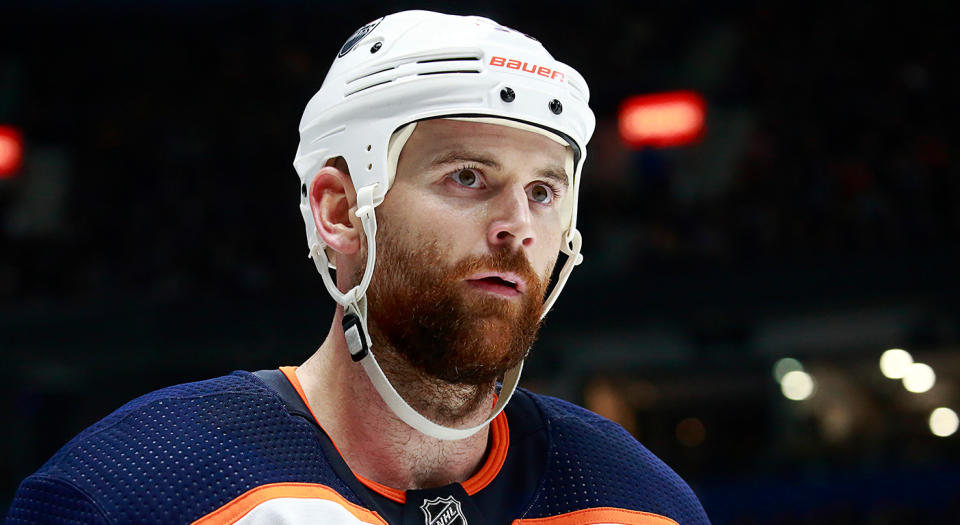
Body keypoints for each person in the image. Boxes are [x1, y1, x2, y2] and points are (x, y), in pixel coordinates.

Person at [7, 11, 710, 525]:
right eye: (468, 176)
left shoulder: (641, 501)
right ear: (340, 211)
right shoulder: (130, 489)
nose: (517, 226)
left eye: (543, 191)